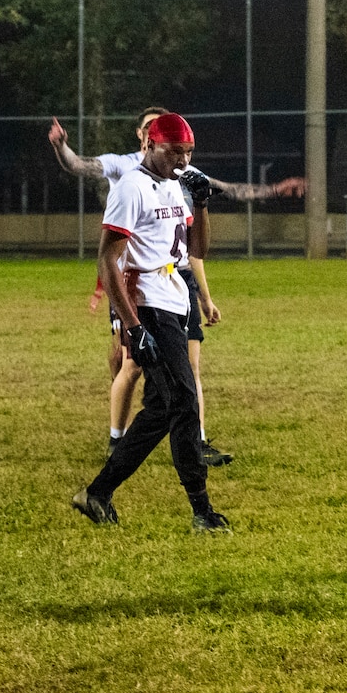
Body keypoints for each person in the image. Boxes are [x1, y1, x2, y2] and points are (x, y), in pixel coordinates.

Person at [49, 111, 305, 465]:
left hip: (176, 279)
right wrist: (61, 146)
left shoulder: (178, 173)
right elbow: (79, 166)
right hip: (137, 281)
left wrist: (274, 190)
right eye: (152, 128)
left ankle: (194, 444)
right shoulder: (126, 170)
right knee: (133, 367)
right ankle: (118, 441)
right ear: (145, 136)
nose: (181, 154)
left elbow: (223, 198)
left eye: (185, 148)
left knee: (187, 371)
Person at [70, 113, 229, 533]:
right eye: (175, 151)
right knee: (185, 402)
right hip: (148, 305)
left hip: (174, 298)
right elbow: (107, 260)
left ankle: (97, 493)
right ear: (150, 146)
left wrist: (202, 204)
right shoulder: (131, 186)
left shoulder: (177, 184)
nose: (183, 160)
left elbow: (197, 249)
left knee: (162, 409)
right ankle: (202, 510)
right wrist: (134, 326)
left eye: (188, 152)